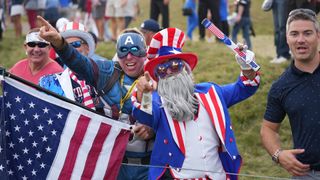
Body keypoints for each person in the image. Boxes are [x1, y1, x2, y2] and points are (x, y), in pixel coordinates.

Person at [132, 27, 261, 179]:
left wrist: (247, 67)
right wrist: (145, 93)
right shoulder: (158, 102)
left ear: (186, 69)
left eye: (175, 66)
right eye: (161, 69)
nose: (169, 73)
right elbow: (145, 114)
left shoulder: (211, 92)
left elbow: (244, 88)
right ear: (158, 78)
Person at [37, 16, 154, 179]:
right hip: (112, 164)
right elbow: (79, 63)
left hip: (150, 165)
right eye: (123, 51)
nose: (129, 57)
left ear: (145, 52)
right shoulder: (107, 72)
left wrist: (153, 128)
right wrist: (59, 43)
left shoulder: (158, 74)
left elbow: (175, 116)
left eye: (135, 51)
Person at [260, 8, 320, 178]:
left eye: (307, 33)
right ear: (287, 39)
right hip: (307, 174)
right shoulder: (281, 87)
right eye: (294, 34)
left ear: (318, 35)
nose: (301, 40)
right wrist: (278, 154)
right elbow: (268, 129)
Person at [39, 21, 101, 109]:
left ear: (87, 48)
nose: (70, 50)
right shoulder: (50, 83)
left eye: (76, 44)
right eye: (66, 46)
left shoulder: (103, 74)